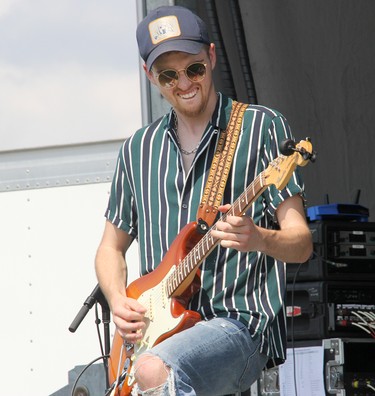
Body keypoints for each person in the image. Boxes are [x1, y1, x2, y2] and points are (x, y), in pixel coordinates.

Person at [95, 5, 313, 396]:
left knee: (152, 369)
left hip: (239, 325)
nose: (184, 83)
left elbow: (301, 244)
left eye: (194, 69)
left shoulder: (260, 126)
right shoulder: (137, 150)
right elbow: (110, 249)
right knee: (148, 369)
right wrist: (117, 300)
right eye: (169, 75)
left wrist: (260, 238)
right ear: (151, 77)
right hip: (158, 330)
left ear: (212, 56)